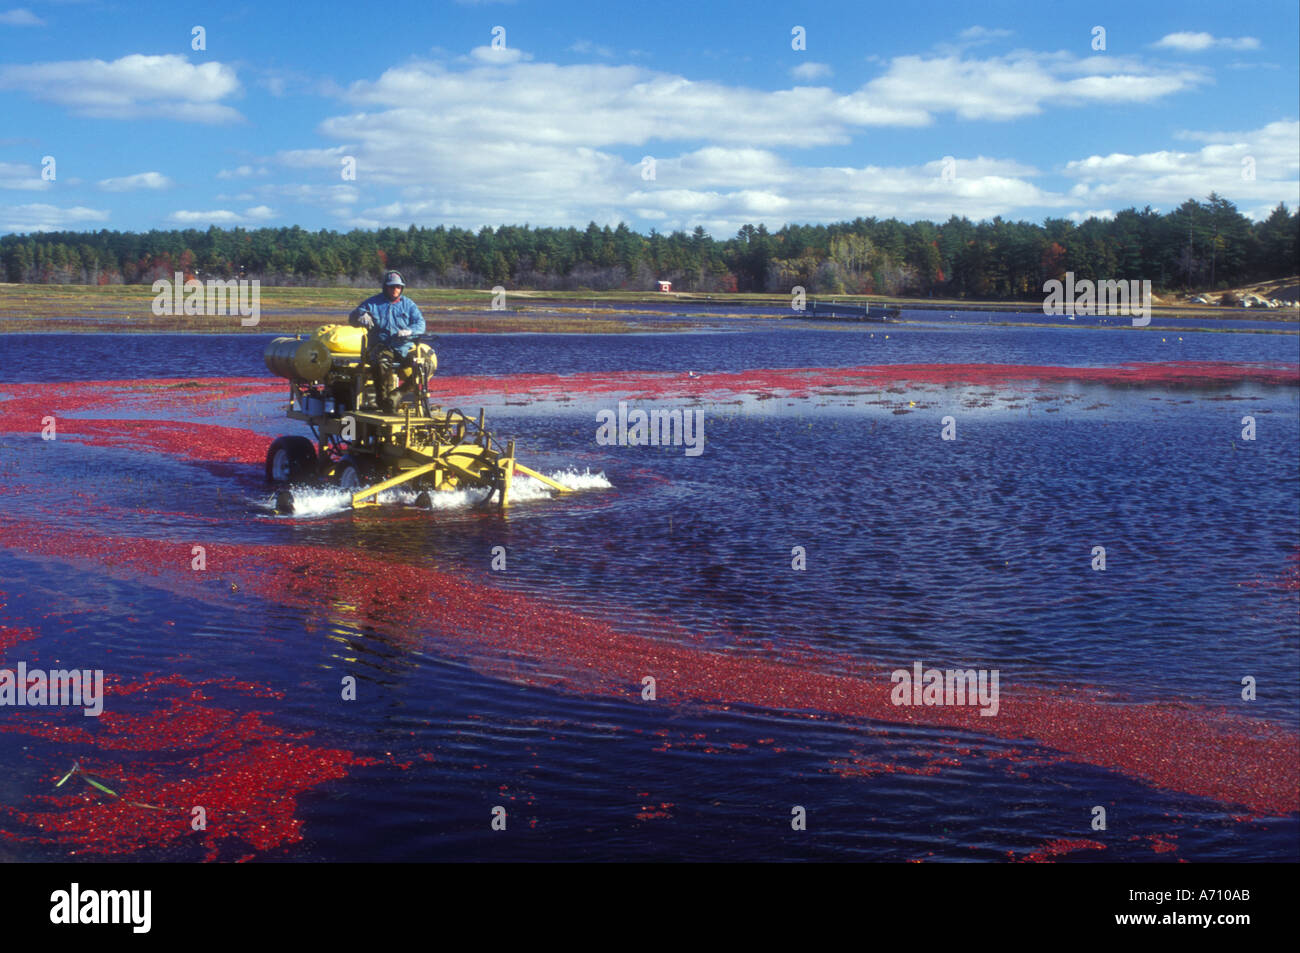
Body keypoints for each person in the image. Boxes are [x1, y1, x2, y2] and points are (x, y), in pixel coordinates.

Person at [349, 271, 426, 413]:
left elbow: (420, 324)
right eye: (392, 287)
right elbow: (352, 318)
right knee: (381, 362)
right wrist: (360, 315)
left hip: (404, 346)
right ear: (385, 287)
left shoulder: (408, 305)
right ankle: (383, 401)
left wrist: (410, 331)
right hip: (381, 346)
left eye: (398, 286)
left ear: (402, 288)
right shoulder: (372, 303)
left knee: (425, 365)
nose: (395, 289)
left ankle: (397, 394)